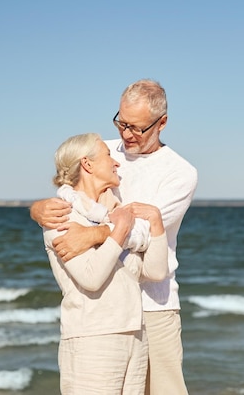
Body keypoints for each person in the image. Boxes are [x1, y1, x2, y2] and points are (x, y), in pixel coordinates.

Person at [31, 79, 197, 395]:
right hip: (106, 311)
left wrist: (92, 234)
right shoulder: (102, 152)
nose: (125, 135)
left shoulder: (180, 172)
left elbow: (143, 233)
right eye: (121, 123)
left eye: (136, 128)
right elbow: (69, 189)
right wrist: (36, 209)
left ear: (161, 123)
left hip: (155, 303)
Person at [43, 132, 169, 394]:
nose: (117, 163)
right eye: (108, 155)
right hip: (93, 339)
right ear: (87, 164)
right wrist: (119, 231)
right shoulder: (62, 216)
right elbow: (91, 277)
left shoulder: (116, 213)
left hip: (135, 334)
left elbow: (155, 272)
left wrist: (155, 223)